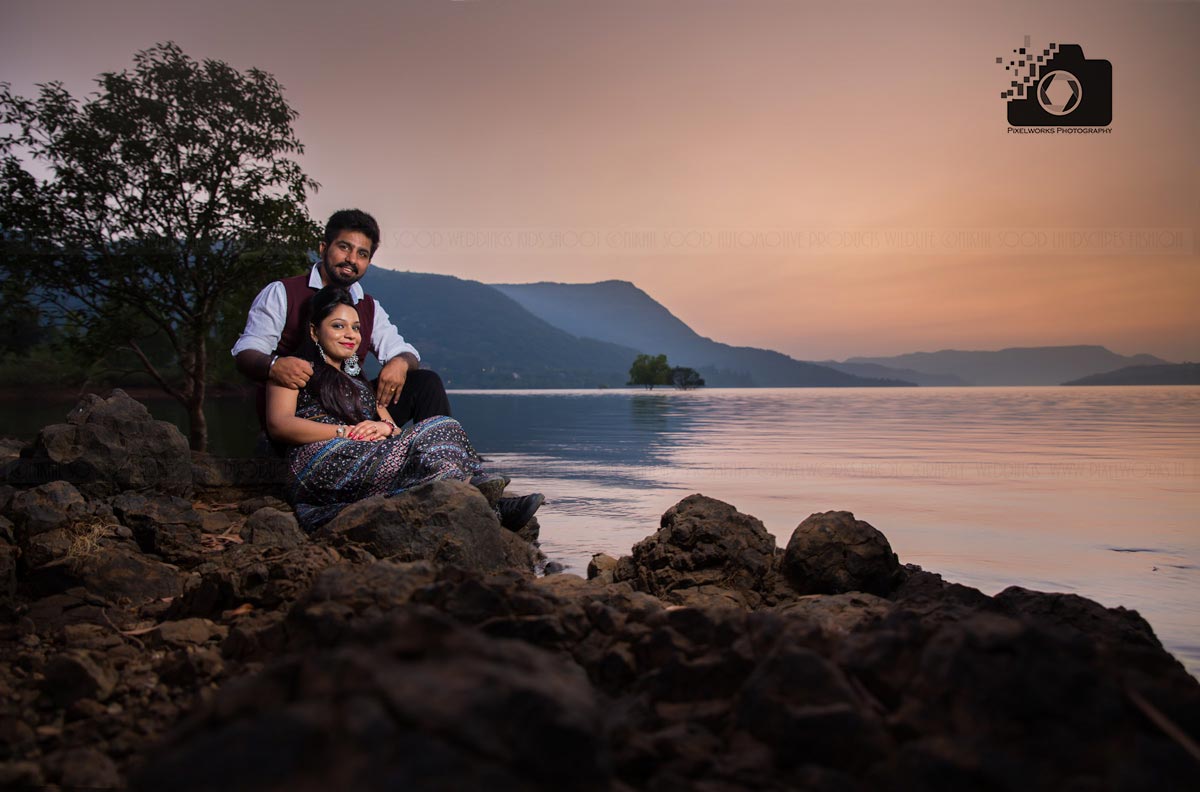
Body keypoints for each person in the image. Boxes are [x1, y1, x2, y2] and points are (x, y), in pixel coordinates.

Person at [267, 286, 544, 533]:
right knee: (437, 432)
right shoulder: (295, 367)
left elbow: (394, 429)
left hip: (362, 453)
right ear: (315, 331)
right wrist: (346, 432)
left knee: (441, 428)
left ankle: (485, 503)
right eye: (338, 326)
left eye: (355, 328)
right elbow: (280, 425)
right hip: (319, 460)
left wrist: (382, 426)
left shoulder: (358, 381)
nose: (350, 335)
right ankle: (486, 496)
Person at [232, 208, 450, 428]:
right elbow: (246, 351)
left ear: (369, 262)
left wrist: (400, 363)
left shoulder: (368, 306)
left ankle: (441, 455)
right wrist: (274, 365)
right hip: (302, 409)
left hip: (353, 407)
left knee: (426, 383)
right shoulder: (282, 292)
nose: (351, 259)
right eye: (344, 247)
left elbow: (404, 351)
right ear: (324, 248)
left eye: (362, 254)